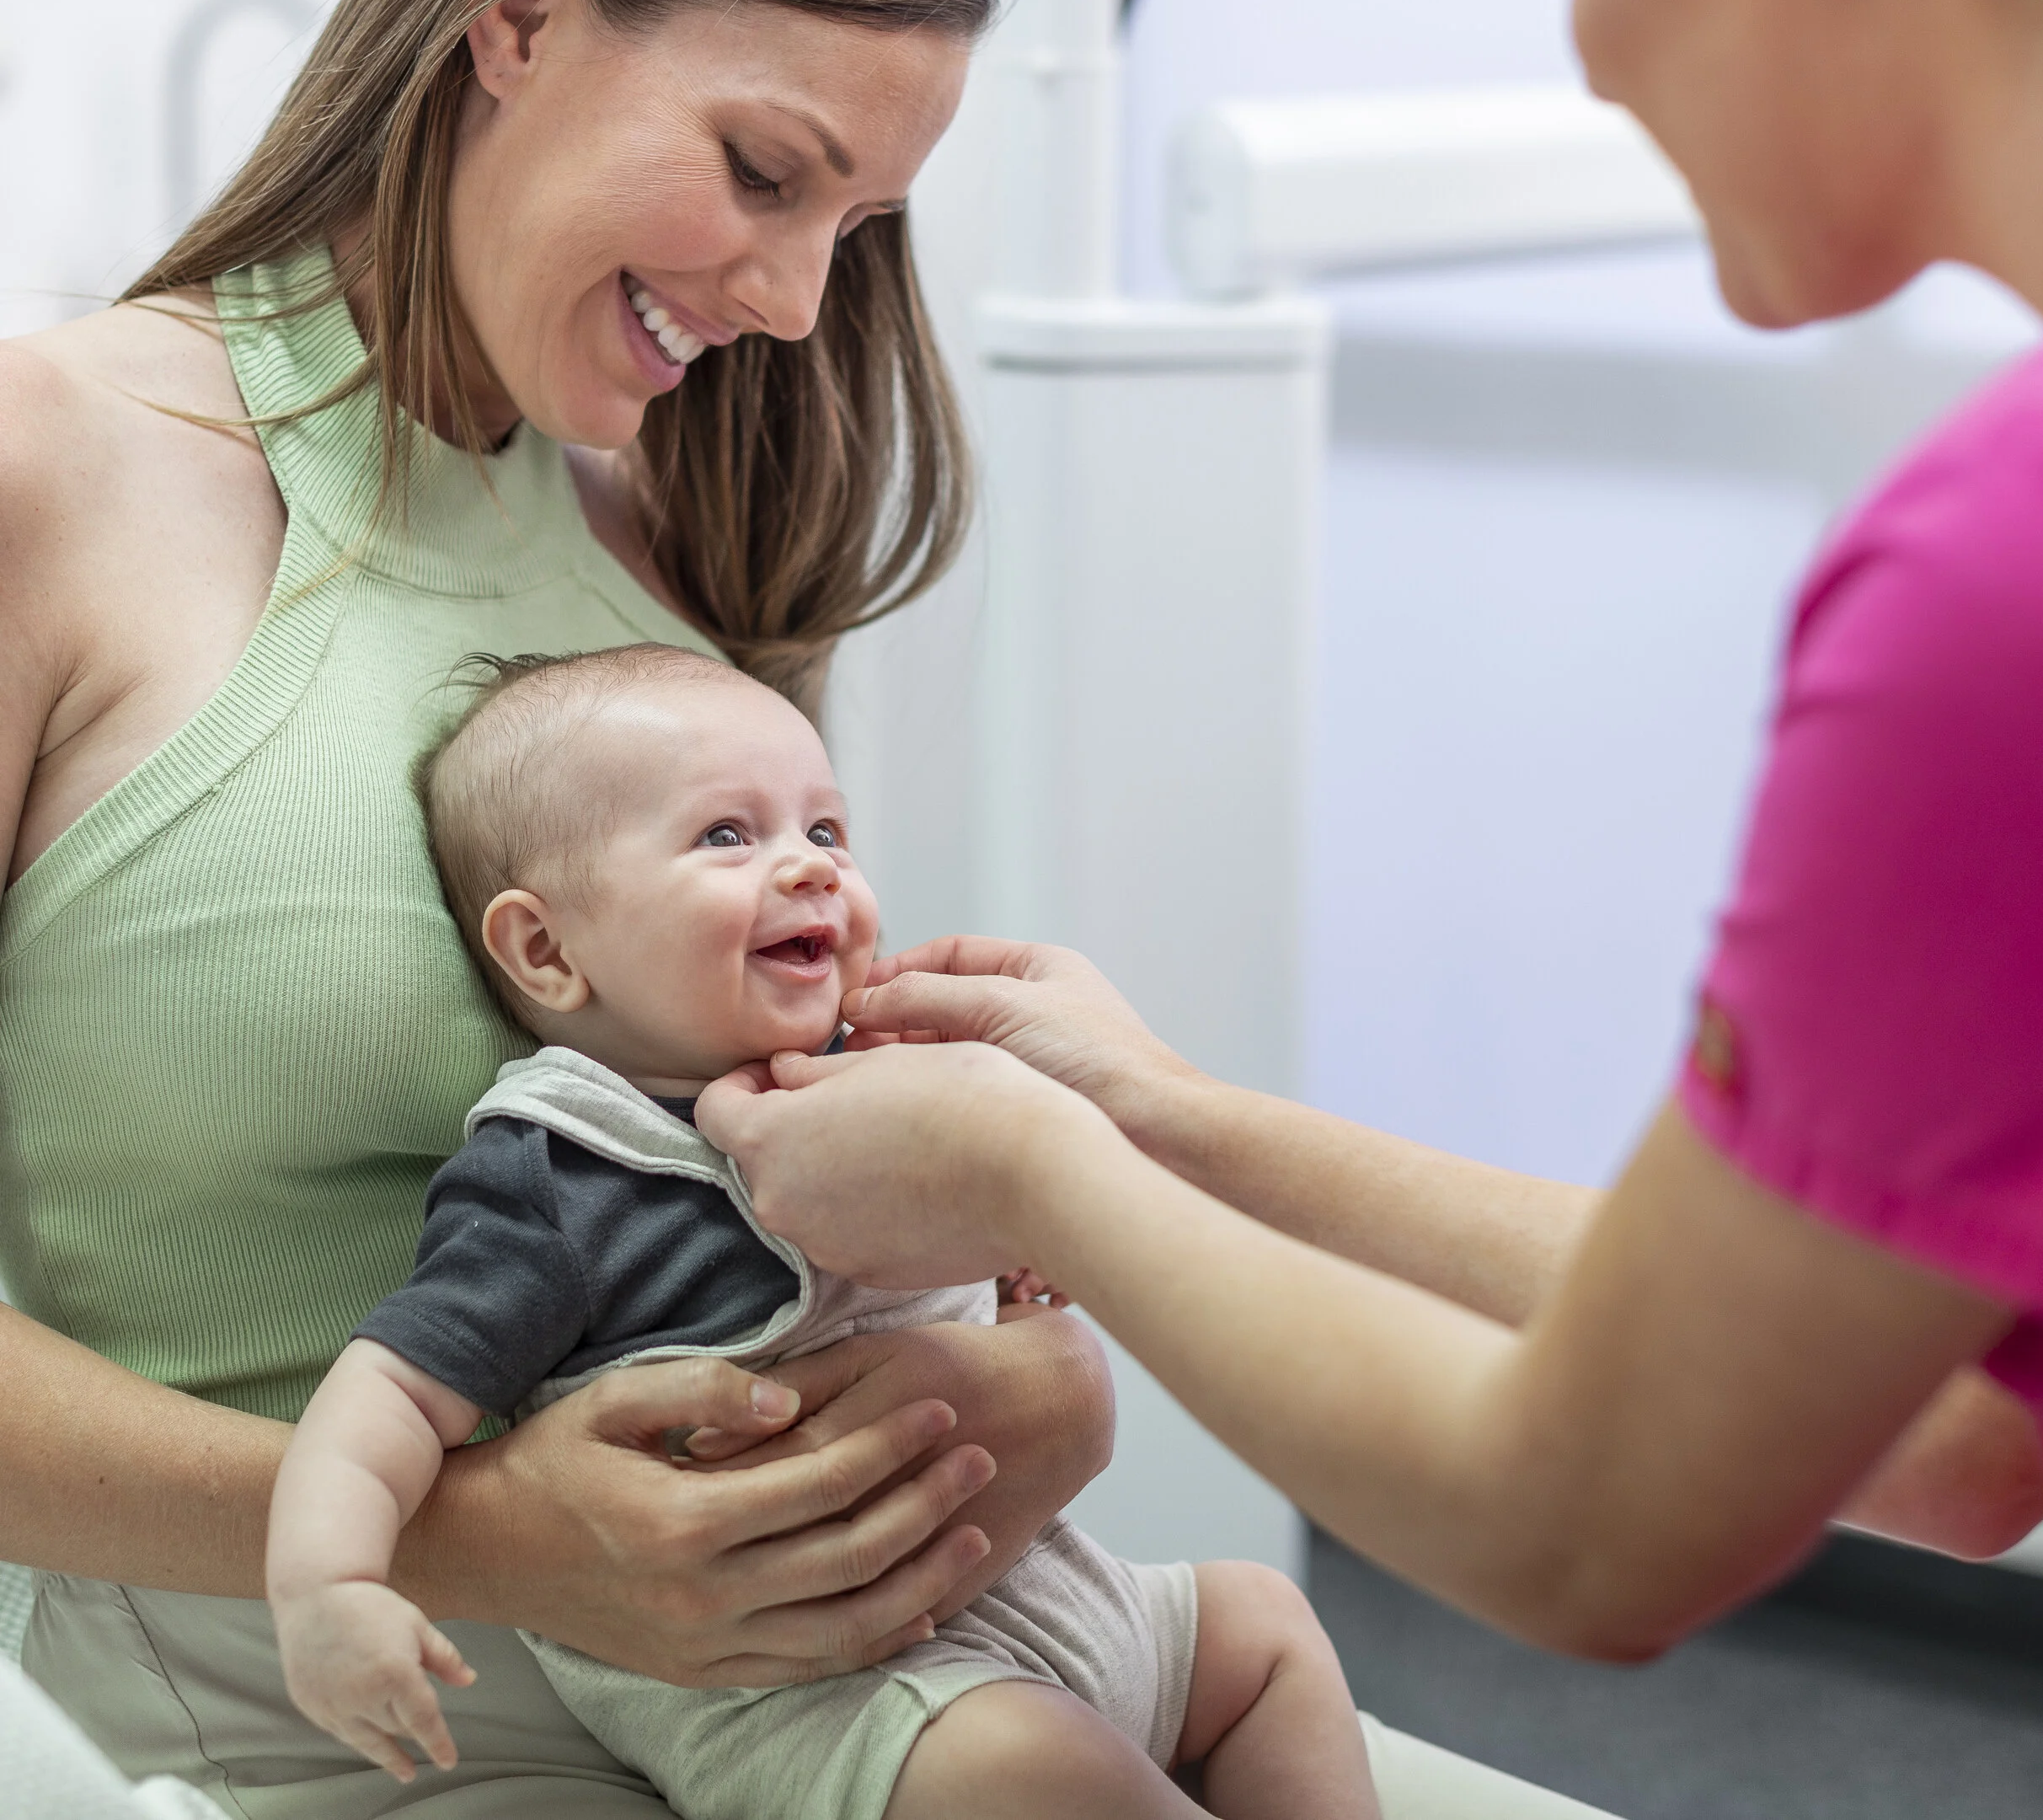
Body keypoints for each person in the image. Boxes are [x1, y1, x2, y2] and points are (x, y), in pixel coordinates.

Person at [697, 0, 2043, 1678]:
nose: (1588, 47)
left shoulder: (2015, 573)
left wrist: (1036, 1170)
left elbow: (1584, 1514)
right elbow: (1955, 1432)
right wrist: (1167, 1117)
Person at [0, 0, 1113, 1812]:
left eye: (856, 223)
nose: (791, 298)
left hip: (746, 1673)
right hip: (276, 1682)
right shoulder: (51, 474)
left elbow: (772, 1152)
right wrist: (475, 1531)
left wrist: (1024, 1391)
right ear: (516, 12)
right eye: (763, 173)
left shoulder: (673, 550)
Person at [265, 644, 1377, 1820]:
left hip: (1051, 1588)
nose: (810, 868)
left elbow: (1000, 1253)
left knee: (1264, 1627)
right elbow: (388, 1395)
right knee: (1030, 1771)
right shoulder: (564, 1173)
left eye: (829, 831)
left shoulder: (885, 1086)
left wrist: (1019, 1263)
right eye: (727, 837)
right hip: (819, 1698)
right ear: (546, 949)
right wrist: (329, 1584)